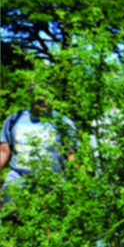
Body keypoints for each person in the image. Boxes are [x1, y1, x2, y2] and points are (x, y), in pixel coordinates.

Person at [0, 94, 78, 225]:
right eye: (39, 97)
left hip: (53, 182)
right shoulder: (15, 119)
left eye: (47, 97)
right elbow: (3, 151)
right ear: (31, 97)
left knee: (51, 225)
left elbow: (72, 156)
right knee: (9, 218)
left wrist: (78, 184)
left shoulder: (63, 122)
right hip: (18, 178)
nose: (44, 101)